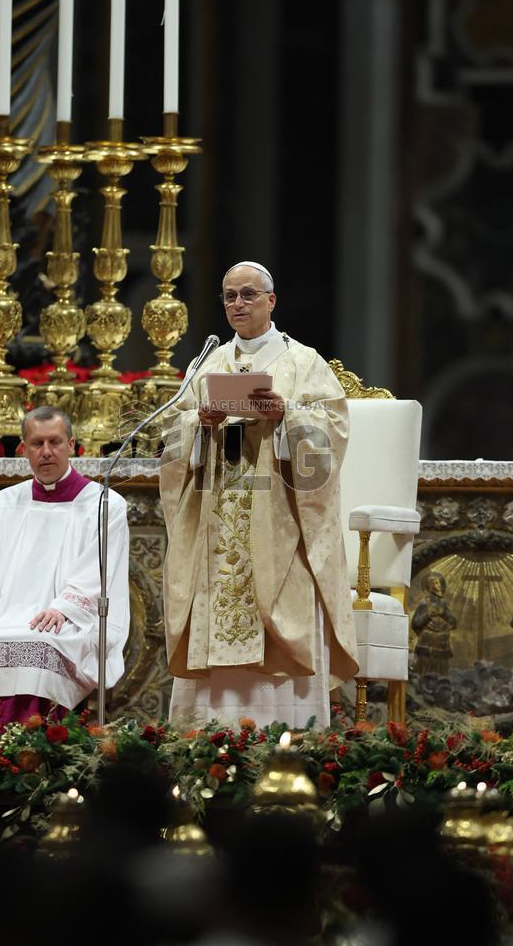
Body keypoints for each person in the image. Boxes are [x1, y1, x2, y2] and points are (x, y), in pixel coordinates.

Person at [159, 260, 358, 728]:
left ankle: (287, 734)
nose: (238, 304)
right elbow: (171, 434)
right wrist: (198, 423)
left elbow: (333, 432)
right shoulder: (206, 364)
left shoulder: (303, 362)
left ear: (271, 300)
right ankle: (209, 736)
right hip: (215, 516)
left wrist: (287, 416)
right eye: (229, 296)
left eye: (248, 294)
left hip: (279, 522)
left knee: (283, 597)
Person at [0, 406, 130, 728]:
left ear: (72, 445)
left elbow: (99, 571)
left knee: (43, 647)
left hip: (69, 619)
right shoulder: (2, 504)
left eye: (54, 442)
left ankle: (39, 749)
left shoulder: (104, 504)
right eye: (37, 443)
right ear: (23, 449)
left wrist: (64, 608)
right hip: (3, 614)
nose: (46, 452)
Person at [410, 570, 457, 676]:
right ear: (429, 586)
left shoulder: (443, 604)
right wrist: (429, 615)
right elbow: (415, 623)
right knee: (425, 670)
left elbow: (453, 622)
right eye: (435, 583)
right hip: (427, 643)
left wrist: (444, 615)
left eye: (439, 582)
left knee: (441, 671)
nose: (439, 585)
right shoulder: (424, 603)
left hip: (442, 643)